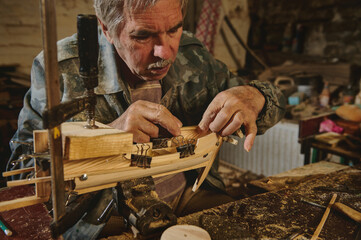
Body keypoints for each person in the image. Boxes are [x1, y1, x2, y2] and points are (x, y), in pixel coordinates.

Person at [8, 0, 286, 238]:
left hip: (190, 193)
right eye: (142, 36)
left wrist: (254, 96)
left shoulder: (193, 55)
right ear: (107, 30)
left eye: (174, 29)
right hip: (103, 216)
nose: (165, 52)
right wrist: (105, 136)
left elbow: (275, 105)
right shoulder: (59, 71)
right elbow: (23, 173)